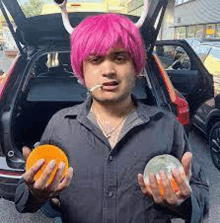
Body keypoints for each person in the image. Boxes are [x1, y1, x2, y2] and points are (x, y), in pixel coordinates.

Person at [15, 13, 209, 223]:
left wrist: (183, 203)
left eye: (119, 58)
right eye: (95, 59)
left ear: (136, 68)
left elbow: (202, 197)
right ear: (81, 71)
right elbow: (24, 200)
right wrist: (37, 195)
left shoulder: (167, 126)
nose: (108, 70)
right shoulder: (60, 125)